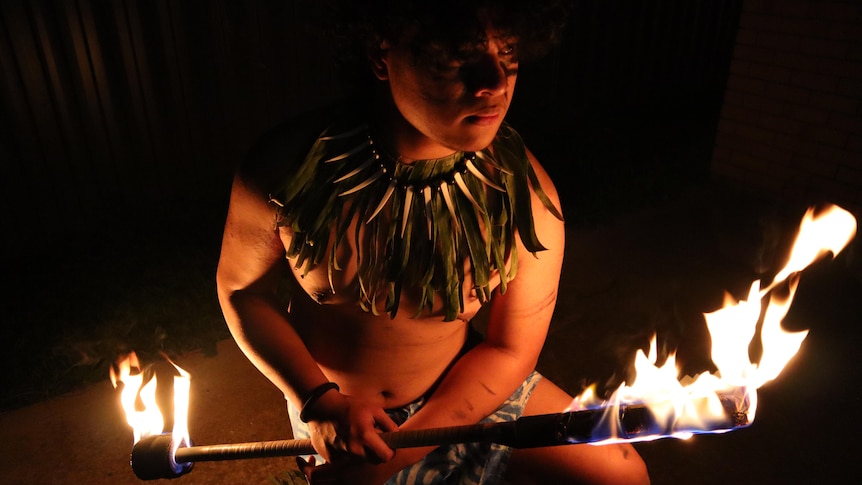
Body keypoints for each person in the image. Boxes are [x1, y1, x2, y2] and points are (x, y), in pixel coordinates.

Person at [216, 1, 650, 483]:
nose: (494, 82)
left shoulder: (523, 194)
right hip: (336, 411)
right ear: (382, 55)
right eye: (455, 57)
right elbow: (241, 292)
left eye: (507, 52)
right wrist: (315, 400)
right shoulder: (289, 168)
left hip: (466, 391)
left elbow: (510, 350)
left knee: (622, 474)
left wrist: (393, 458)